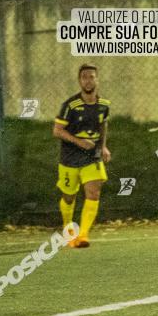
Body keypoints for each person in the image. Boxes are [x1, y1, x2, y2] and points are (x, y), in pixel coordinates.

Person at [52, 63, 111, 248]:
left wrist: (103, 146)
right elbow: (57, 130)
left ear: (97, 79)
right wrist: (79, 142)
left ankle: (83, 235)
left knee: (93, 192)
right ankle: (68, 229)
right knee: (69, 196)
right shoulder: (70, 105)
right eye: (84, 77)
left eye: (92, 76)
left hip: (92, 156)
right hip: (70, 157)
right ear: (79, 81)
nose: (88, 80)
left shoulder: (103, 105)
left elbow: (103, 125)